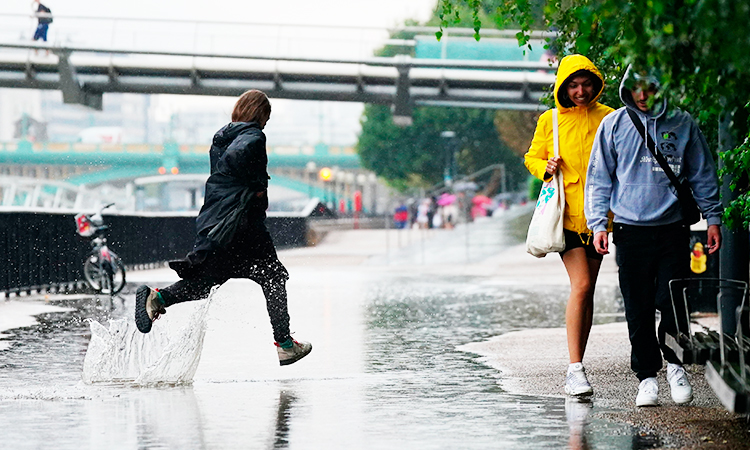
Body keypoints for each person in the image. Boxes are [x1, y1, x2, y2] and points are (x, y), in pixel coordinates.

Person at [134, 90, 312, 367]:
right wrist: (250, 186)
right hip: (244, 226)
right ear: (259, 113)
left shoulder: (222, 137)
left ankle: (157, 299)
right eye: (266, 116)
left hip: (223, 224)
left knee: (206, 283)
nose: (266, 122)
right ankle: (285, 345)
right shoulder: (253, 136)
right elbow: (236, 159)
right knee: (273, 277)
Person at [585, 65, 723, 406]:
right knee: (639, 307)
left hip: (673, 228)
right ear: (628, 90)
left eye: (649, 88)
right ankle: (647, 377)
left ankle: (676, 366)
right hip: (630, 231)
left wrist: (714, 217)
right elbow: (599, 177)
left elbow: (702, 172)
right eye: (636, 89)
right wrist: (598, 224)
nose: (642, 96)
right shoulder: (614, 125)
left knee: (671, 300)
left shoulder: (683, 123)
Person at [524, 54, 614, 397]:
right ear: (562, 86)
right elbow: (532, 156)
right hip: (566, 216)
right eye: (573, 85)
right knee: (582, 284)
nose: (580, 91)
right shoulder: (551, 120)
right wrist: (545, 167)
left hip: (601, 218)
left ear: (595, 83)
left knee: (587, 289)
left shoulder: (610, 117)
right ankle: (575, 369)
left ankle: (579, 364)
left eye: (586, 83)